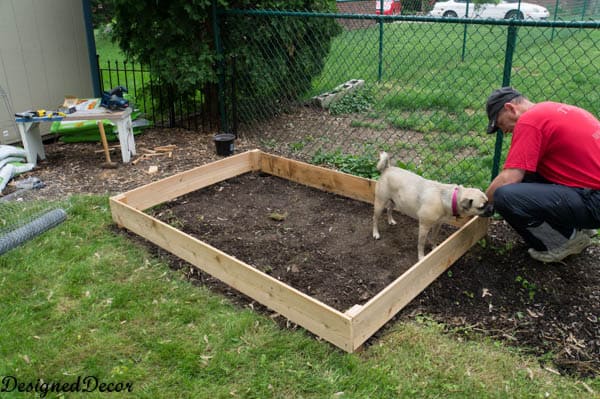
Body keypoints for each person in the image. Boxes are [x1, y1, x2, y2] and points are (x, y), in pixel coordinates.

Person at [484, 87, 600, 263]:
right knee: (529, 173)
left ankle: (559, 242)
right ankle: (579, 228)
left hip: (594, 200)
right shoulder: (551, 110)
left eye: (500, 124)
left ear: (510, 108)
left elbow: (510, 177)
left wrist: (481, 202)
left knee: (504, 197)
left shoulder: (529, 121)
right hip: (591, 190)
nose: (504, 131)